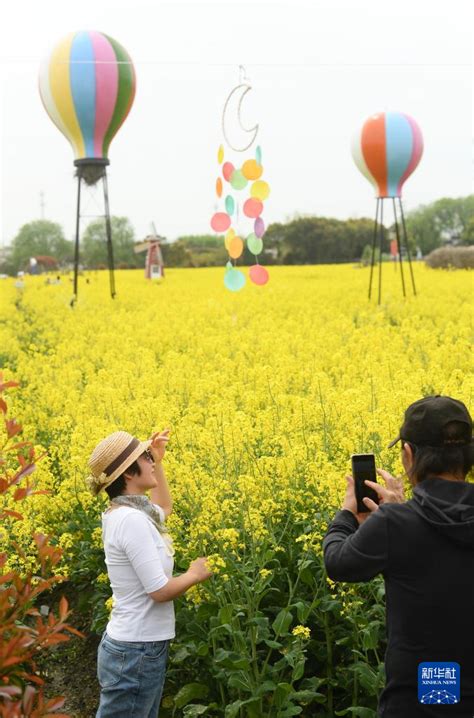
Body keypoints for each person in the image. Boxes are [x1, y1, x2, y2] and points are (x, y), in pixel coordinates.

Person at [323, 396, 474, 717]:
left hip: (423, 696)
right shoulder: (398, 520)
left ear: (408, 455)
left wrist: (347, 515)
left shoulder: (394, 524)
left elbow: (337, 562)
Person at [86, 429, 212, 718]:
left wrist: (159, 460)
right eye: (145, 457)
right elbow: (159, 591)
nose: (151, 461)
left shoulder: (127, 511)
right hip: (135, 652)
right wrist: (195, 573)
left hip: (136, 648)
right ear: (128, 473)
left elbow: (164, 506)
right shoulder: (131, 520)